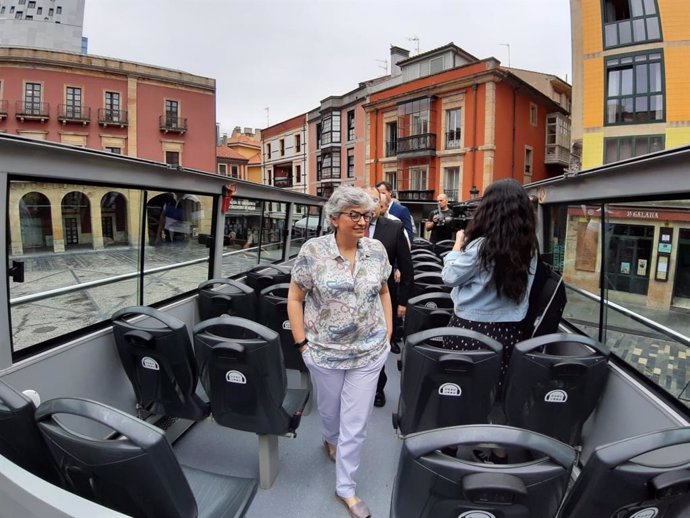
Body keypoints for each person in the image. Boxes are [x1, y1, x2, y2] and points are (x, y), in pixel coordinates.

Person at [287, 185, 392, 518]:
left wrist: (388, 331)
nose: (362, 222)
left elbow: (385, 291)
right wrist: (301, 343)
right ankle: (330, 440)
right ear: (334, 218)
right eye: (355, 215)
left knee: (356, 421)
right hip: (324, 352)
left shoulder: (376, 250)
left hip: (369, 352)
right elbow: (295, 298)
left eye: (367, 215)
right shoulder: (312, 252)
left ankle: (345, 488)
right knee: (330, 412)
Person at [440, 178, 538, 392]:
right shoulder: (529, 248)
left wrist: (458, 244)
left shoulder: (480, 247)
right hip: (509, 331)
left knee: (462, 390)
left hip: (470, 330)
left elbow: (449, 276)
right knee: (493, 389)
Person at [363, 186, 414, 408]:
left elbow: (407, 268)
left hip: (384, 298)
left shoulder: (394, 228)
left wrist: (402, 302)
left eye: (375, 200)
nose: (371, 204)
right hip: (350, 300)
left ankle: (377, 387)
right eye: (367, 200)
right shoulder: (347, 226)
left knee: (379, 344)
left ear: (381, 203)